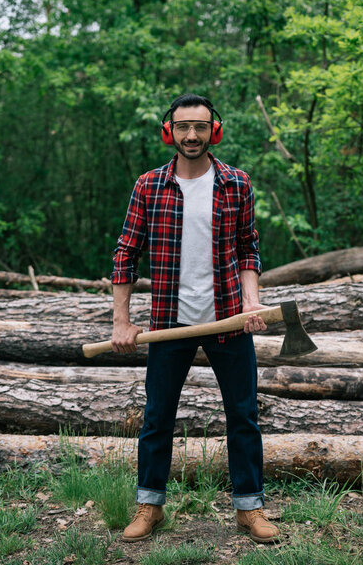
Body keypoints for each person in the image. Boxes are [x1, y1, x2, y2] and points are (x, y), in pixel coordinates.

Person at [110, 93, 279, 544]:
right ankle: (150, 505)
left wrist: (251, 303)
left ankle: (250, 509)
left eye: (200, 127)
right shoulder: (149, 186)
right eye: (183, 127)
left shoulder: (237, 184)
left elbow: (248, 249)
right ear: (170, 131)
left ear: (213, 131)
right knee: (157, 416)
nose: (191, 135)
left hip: (227, 321)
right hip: (168, 322)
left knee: (243, 415)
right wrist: (121, 321)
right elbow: (126, 253)